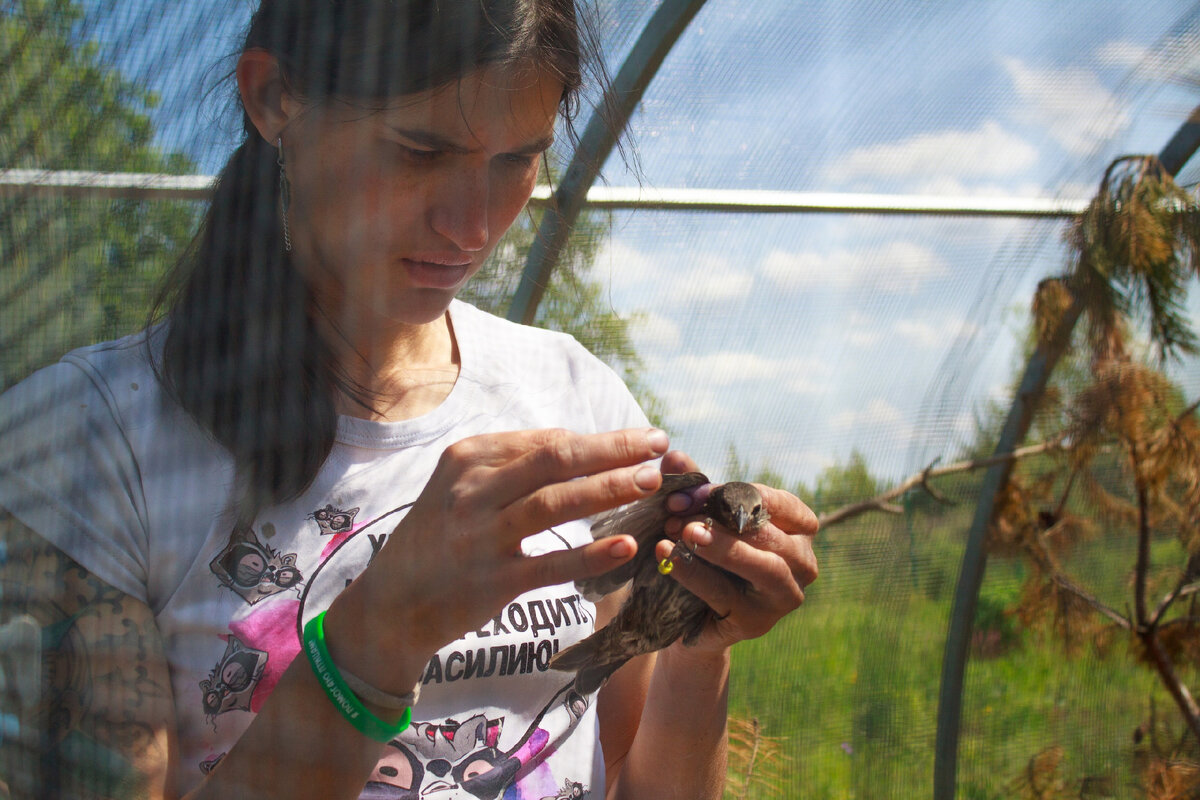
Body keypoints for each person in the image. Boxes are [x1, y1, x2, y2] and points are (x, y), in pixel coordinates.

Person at [0, 1, 819, 797]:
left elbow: (635, 774)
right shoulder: (84, 444)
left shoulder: (573, 394)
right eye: (418, 151)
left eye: (516, 161)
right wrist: (372, 641)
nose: (473, 226)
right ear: (274, 98)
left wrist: (697, 647)